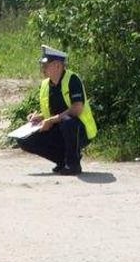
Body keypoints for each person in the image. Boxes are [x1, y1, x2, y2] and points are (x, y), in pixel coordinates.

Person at [16, 45, 97, 175]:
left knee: (68, 121)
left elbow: (77, 108)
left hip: (79, 131)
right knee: (24, 139)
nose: (42, 68)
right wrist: (40, 117)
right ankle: (64, 161)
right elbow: (52, 111)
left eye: (46, 65)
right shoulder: (45, 85)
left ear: (58, 65)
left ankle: (73, 165)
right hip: (58, 128)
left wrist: (52, 120)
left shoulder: (72, 80)